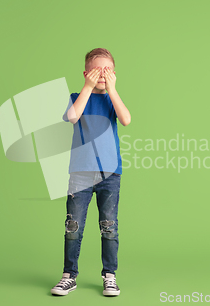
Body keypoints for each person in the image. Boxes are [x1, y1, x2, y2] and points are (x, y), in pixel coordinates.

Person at [51, 48, 131, 297]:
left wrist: (113, 89)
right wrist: (88, 86)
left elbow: (126, 119)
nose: (102, 75)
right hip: (80, 174)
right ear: (87, 73)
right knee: (73, 226)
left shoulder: (112, 99)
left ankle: (110, 275)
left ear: (114, 74)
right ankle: (69, 275)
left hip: (110, 174)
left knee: (109, 226)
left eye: (107, 71)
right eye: (97, 71)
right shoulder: (78, 97)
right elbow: (72, 116)